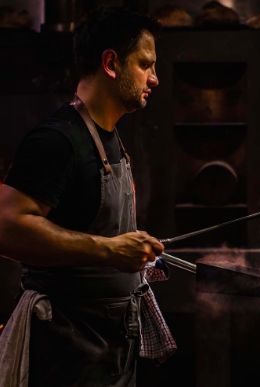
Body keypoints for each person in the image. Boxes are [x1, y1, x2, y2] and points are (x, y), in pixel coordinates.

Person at [0, 7, 175, 386]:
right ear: (111, 63)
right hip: (68, 348)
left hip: (111, 343)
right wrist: (110, 250)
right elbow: (7, 227)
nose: (155, 79)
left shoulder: (111, 137)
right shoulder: (58, 140)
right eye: (145, 65)